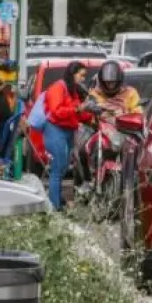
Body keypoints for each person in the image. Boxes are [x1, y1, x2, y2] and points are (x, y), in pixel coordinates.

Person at [42, 62, 95, 209]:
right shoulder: (58, 88)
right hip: (56, 130)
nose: (83, 79)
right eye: (82, 75)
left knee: (63, 168)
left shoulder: (72, 90)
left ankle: (57, 201)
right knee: (57, 169)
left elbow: (78, 113)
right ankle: (54, 207)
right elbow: (56, 111)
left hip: (67, 131)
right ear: (73, 73)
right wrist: (78, 109)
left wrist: (92, 117)